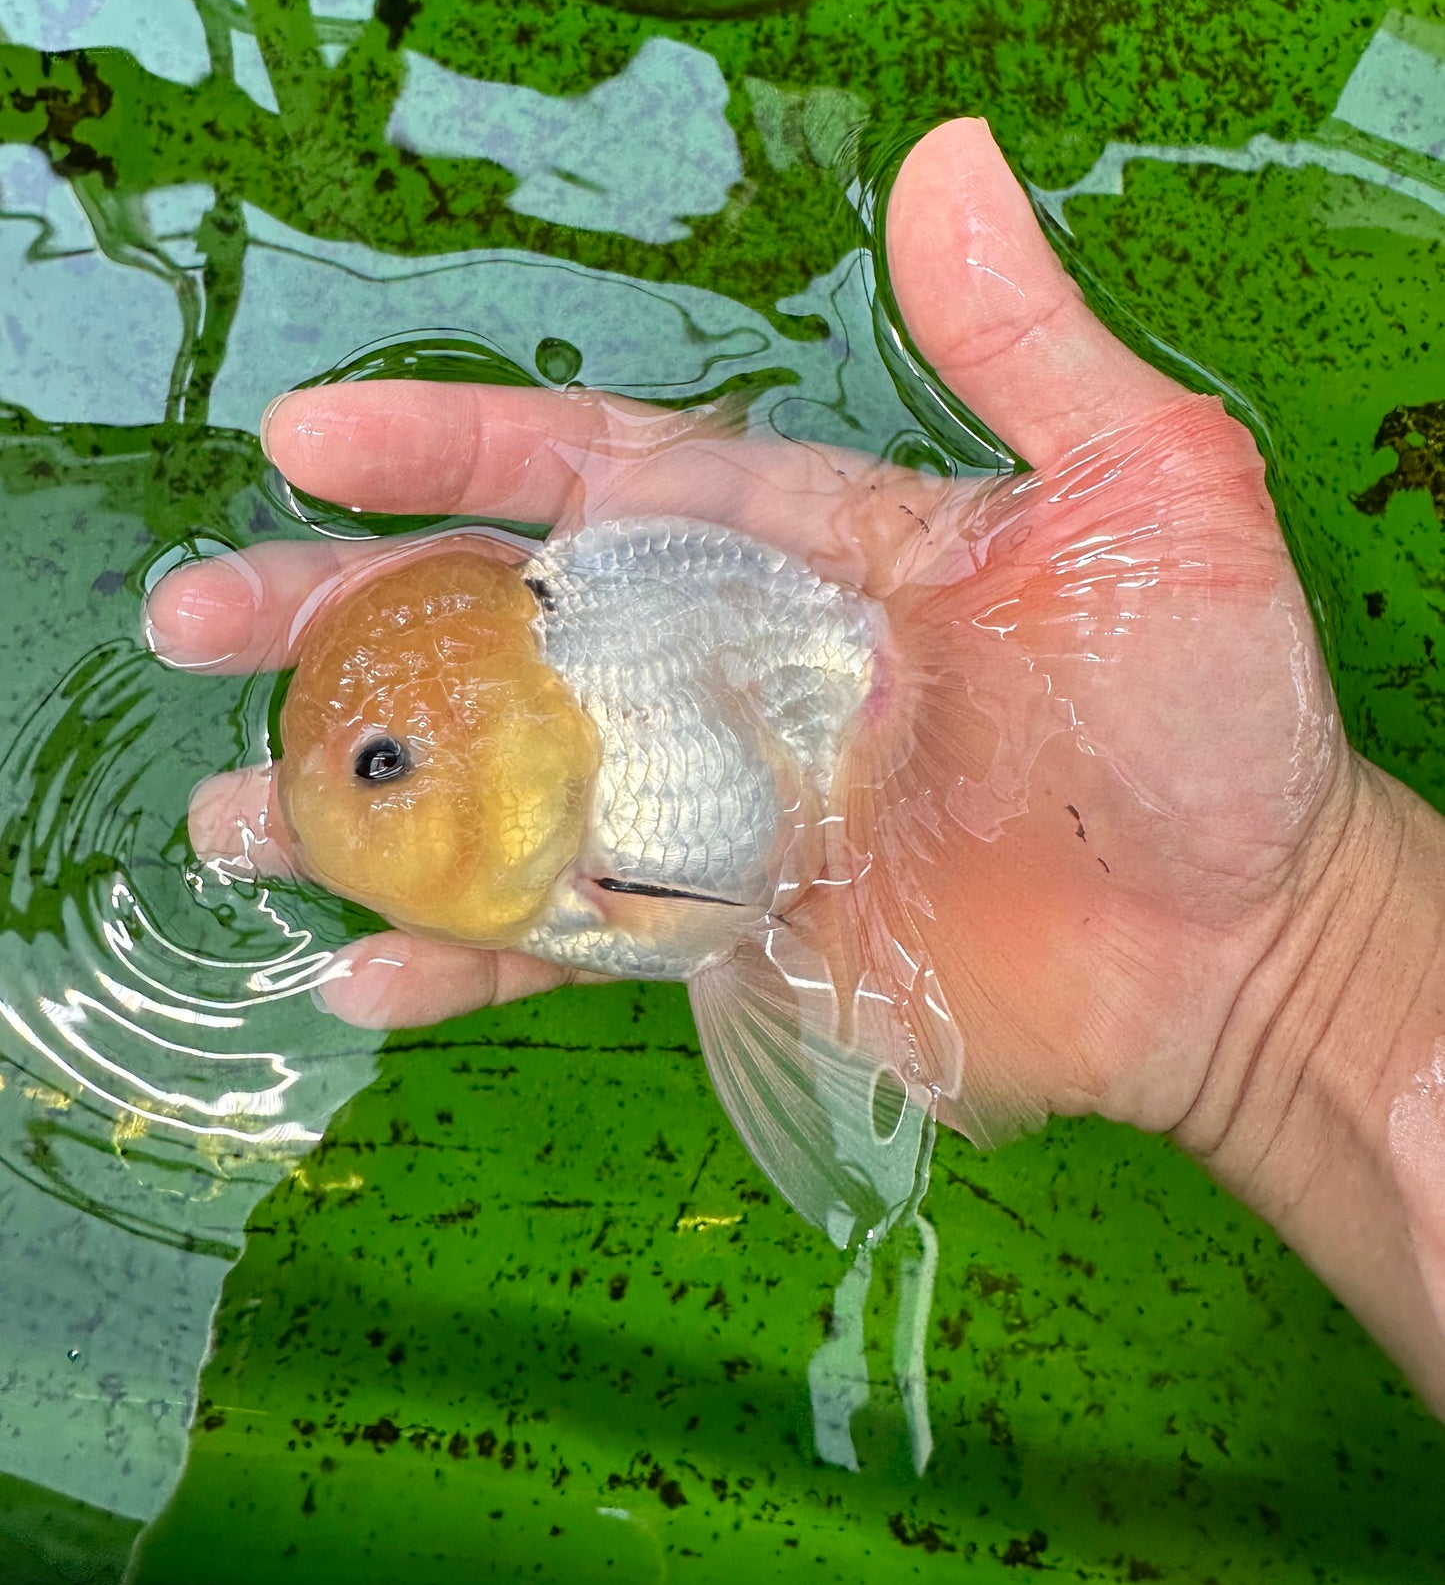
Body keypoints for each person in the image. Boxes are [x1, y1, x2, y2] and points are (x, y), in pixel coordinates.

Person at [145, 118, 1445, 1420]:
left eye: (383, 764)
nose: (345, 789)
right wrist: (1304, 959)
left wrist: (1296, 940)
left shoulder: (606, 790)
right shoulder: (565, 773)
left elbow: (705, 908)